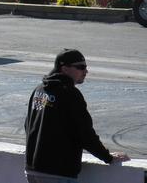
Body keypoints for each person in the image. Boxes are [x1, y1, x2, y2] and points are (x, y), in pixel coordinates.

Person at [25, 49, 129, 183]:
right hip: (57, 172)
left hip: (33, 169)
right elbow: (84, 133)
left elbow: (28, 125)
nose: (86, 71)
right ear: (65, 69)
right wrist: (107, 157)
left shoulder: (39, 90)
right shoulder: (70, 94)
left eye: (85, 67)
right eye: (80, 67)